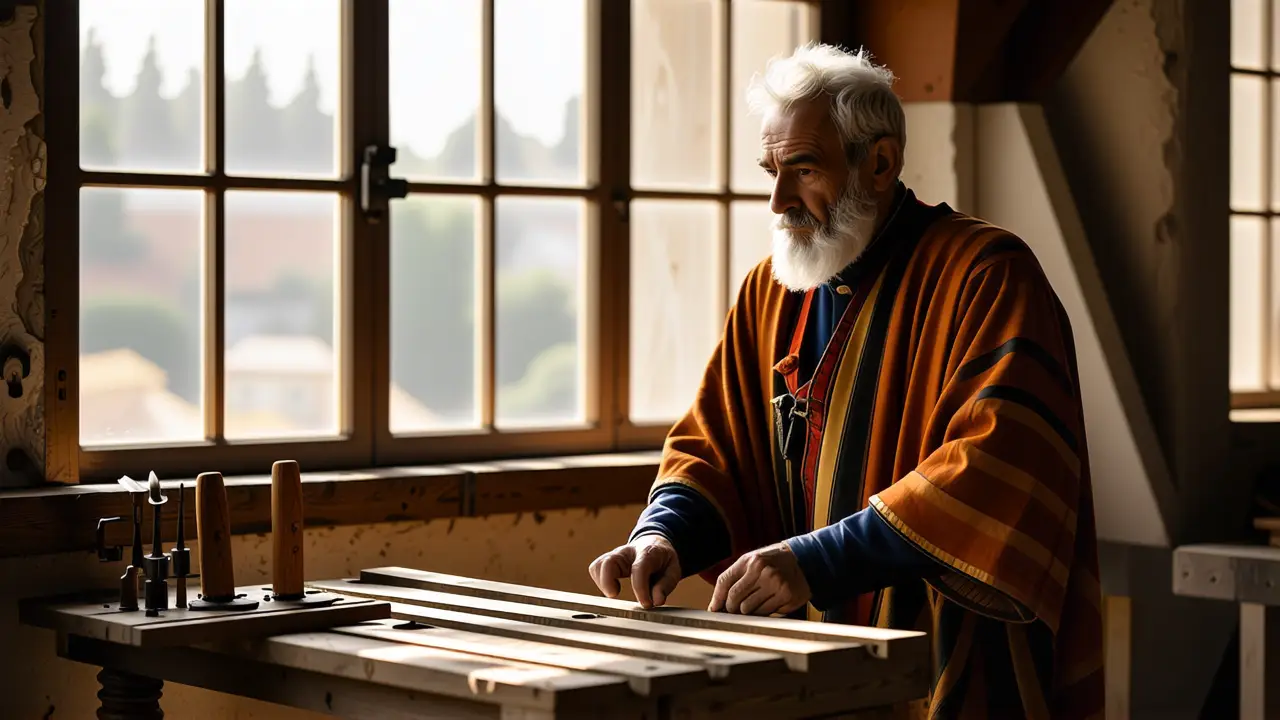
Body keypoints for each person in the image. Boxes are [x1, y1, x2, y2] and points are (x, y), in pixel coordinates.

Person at [588, 43, 1103, 718]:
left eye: (803, 168)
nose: (778, 199)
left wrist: (815, 562)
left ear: (881, 162)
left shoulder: (986, 275)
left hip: (951, 655)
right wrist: (663, 535)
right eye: (769, 170)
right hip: (816, 665)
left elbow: (997, 466)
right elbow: (715, 446)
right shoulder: (769, 292)